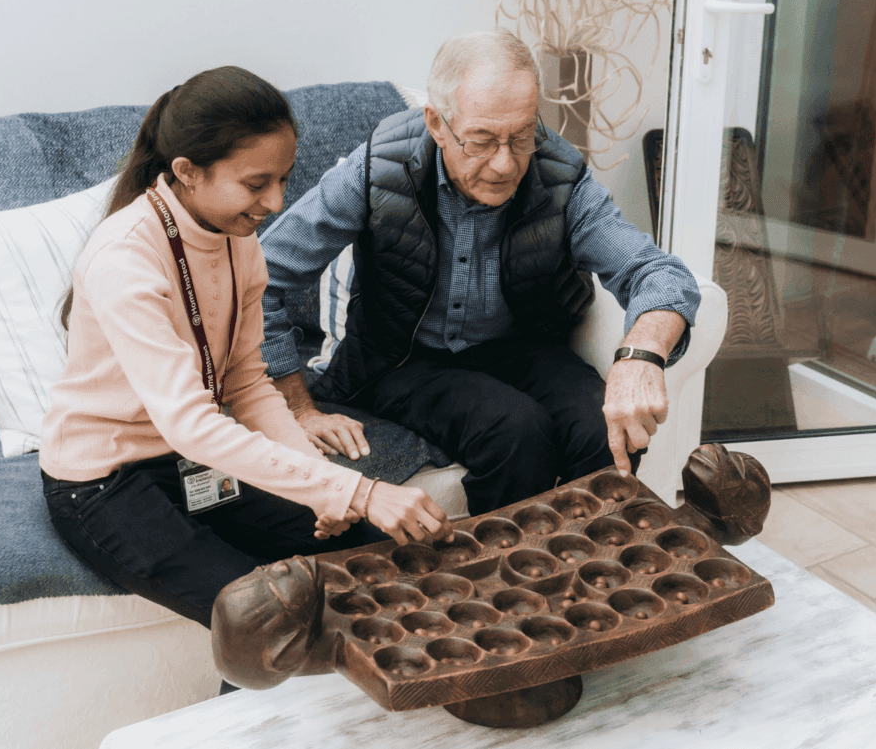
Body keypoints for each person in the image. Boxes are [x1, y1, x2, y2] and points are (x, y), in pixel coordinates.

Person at [39, 67, 453, 638]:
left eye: (282, 179)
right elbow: (190, 422)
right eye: (256, 184)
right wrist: (353, 488)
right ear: (187, 172)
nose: (276, 202)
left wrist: (320, 484)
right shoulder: (124, 259)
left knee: (375, 554)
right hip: (106, 481)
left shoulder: (238, 243)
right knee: (269, 617)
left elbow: (246, 386)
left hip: (193, 462)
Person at [259, 31, 702, 517]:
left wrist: (640, 356)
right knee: (514, 430)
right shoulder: (378, 169)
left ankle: (589, 568)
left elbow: (659, 273)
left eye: (522, 136)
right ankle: (503, 582)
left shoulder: (560, 176)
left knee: (599, 424)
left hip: (521, 344)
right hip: (402, 355)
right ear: (436, 123)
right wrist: (297, 409)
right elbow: (263, 276)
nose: (505, 163)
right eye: (483, 140)